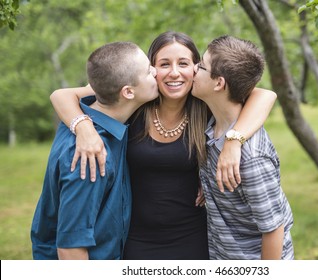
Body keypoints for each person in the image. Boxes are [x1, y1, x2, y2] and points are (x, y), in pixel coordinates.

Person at [49, 31, 278, 259]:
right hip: (134, 238)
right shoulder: (136, 98)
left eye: (184, 63)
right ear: (152, 69)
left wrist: (234, 140)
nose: (174, 73)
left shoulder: (206, 105)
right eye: (164, 64)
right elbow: (61, 95)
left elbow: (265, 95)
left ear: (196, 69)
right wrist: (83, 128)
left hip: (192, 237)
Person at [30, 41, 159, 260]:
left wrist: (82, 124)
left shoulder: (83, 114)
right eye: (148, 71)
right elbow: (70, 250)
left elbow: (61, 94)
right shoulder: (89, 157)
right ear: (128, 92)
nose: (155, 71)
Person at [192, 35, 294, 259]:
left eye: (200, 66)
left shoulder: (251, 159)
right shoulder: (213, 122)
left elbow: (273, 230)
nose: (192, 69)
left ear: (219, 83)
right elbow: (263, 94)